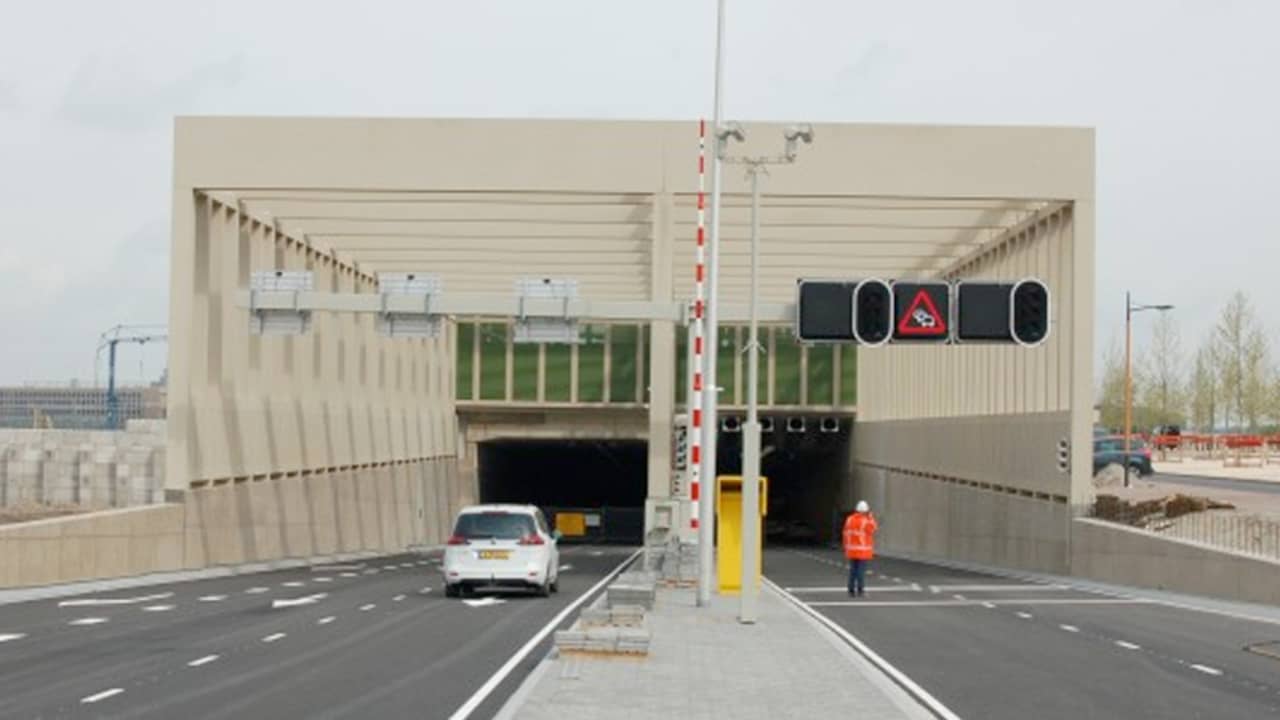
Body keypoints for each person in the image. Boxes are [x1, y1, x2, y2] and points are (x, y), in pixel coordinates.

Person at [843, 500, 878, 597]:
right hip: (862, 551)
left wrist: (845, 547)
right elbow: (873, 529)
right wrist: (871, 517)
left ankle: (851, 590)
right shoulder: (865, 521)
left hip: (851, 550)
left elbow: (845, 533)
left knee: (853, 570)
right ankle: (860, 590)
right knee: (860, 571)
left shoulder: (849, 519)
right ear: (865, 511)